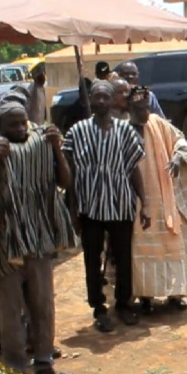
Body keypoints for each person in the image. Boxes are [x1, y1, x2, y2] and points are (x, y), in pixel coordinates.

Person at [0, 96, 78, 374]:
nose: (21, 128)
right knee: (10, 310)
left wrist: (58, 149)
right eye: (13, 124)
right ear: (0, 127)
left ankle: (45, 364)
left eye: (23, 122)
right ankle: (16, 372)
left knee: (43, 304)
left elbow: (65, 182)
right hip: (3, 244)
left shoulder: (42, 144)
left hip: (38, 238)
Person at [63, 80, 149, 332]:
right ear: (90, 100)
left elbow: (133, 169)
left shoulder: (125, 130)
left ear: (112, 101)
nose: (101, 101)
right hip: (89, 208)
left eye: (105, 97)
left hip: (120, 203)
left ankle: (123, 304)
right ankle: (98, 307)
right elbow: (70, 175)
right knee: (92, 258)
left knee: (123, 257)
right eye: (96, 97)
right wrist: (72, 210)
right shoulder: (76, 132)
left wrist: (144, 202)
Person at [128, 87, 187, 313]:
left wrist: (177, 157)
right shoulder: (123, 130)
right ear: (130, 109)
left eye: (146, 108)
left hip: (166, 197)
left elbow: (180, 140)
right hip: (138, 201)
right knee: (141, 249)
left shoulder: (158, 123)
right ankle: (145, 297)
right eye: (139, 109)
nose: (144, 113)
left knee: (177, 243)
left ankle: (176, 294)